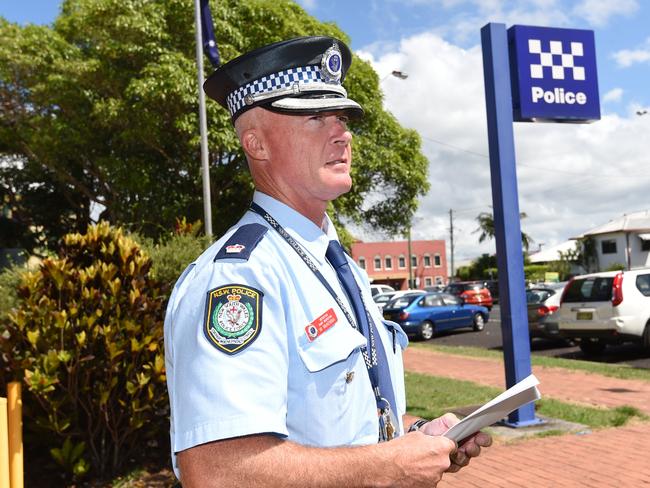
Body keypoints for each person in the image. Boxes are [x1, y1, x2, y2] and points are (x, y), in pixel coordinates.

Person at [164, 35, 491, 487]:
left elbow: (344, 421)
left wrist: (417, 437)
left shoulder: (341, 268)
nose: (343, 133)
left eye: (340, 117)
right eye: (315, 117)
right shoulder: (242, 276)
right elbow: (220, 471)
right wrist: (388, 468)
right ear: (257, 144)